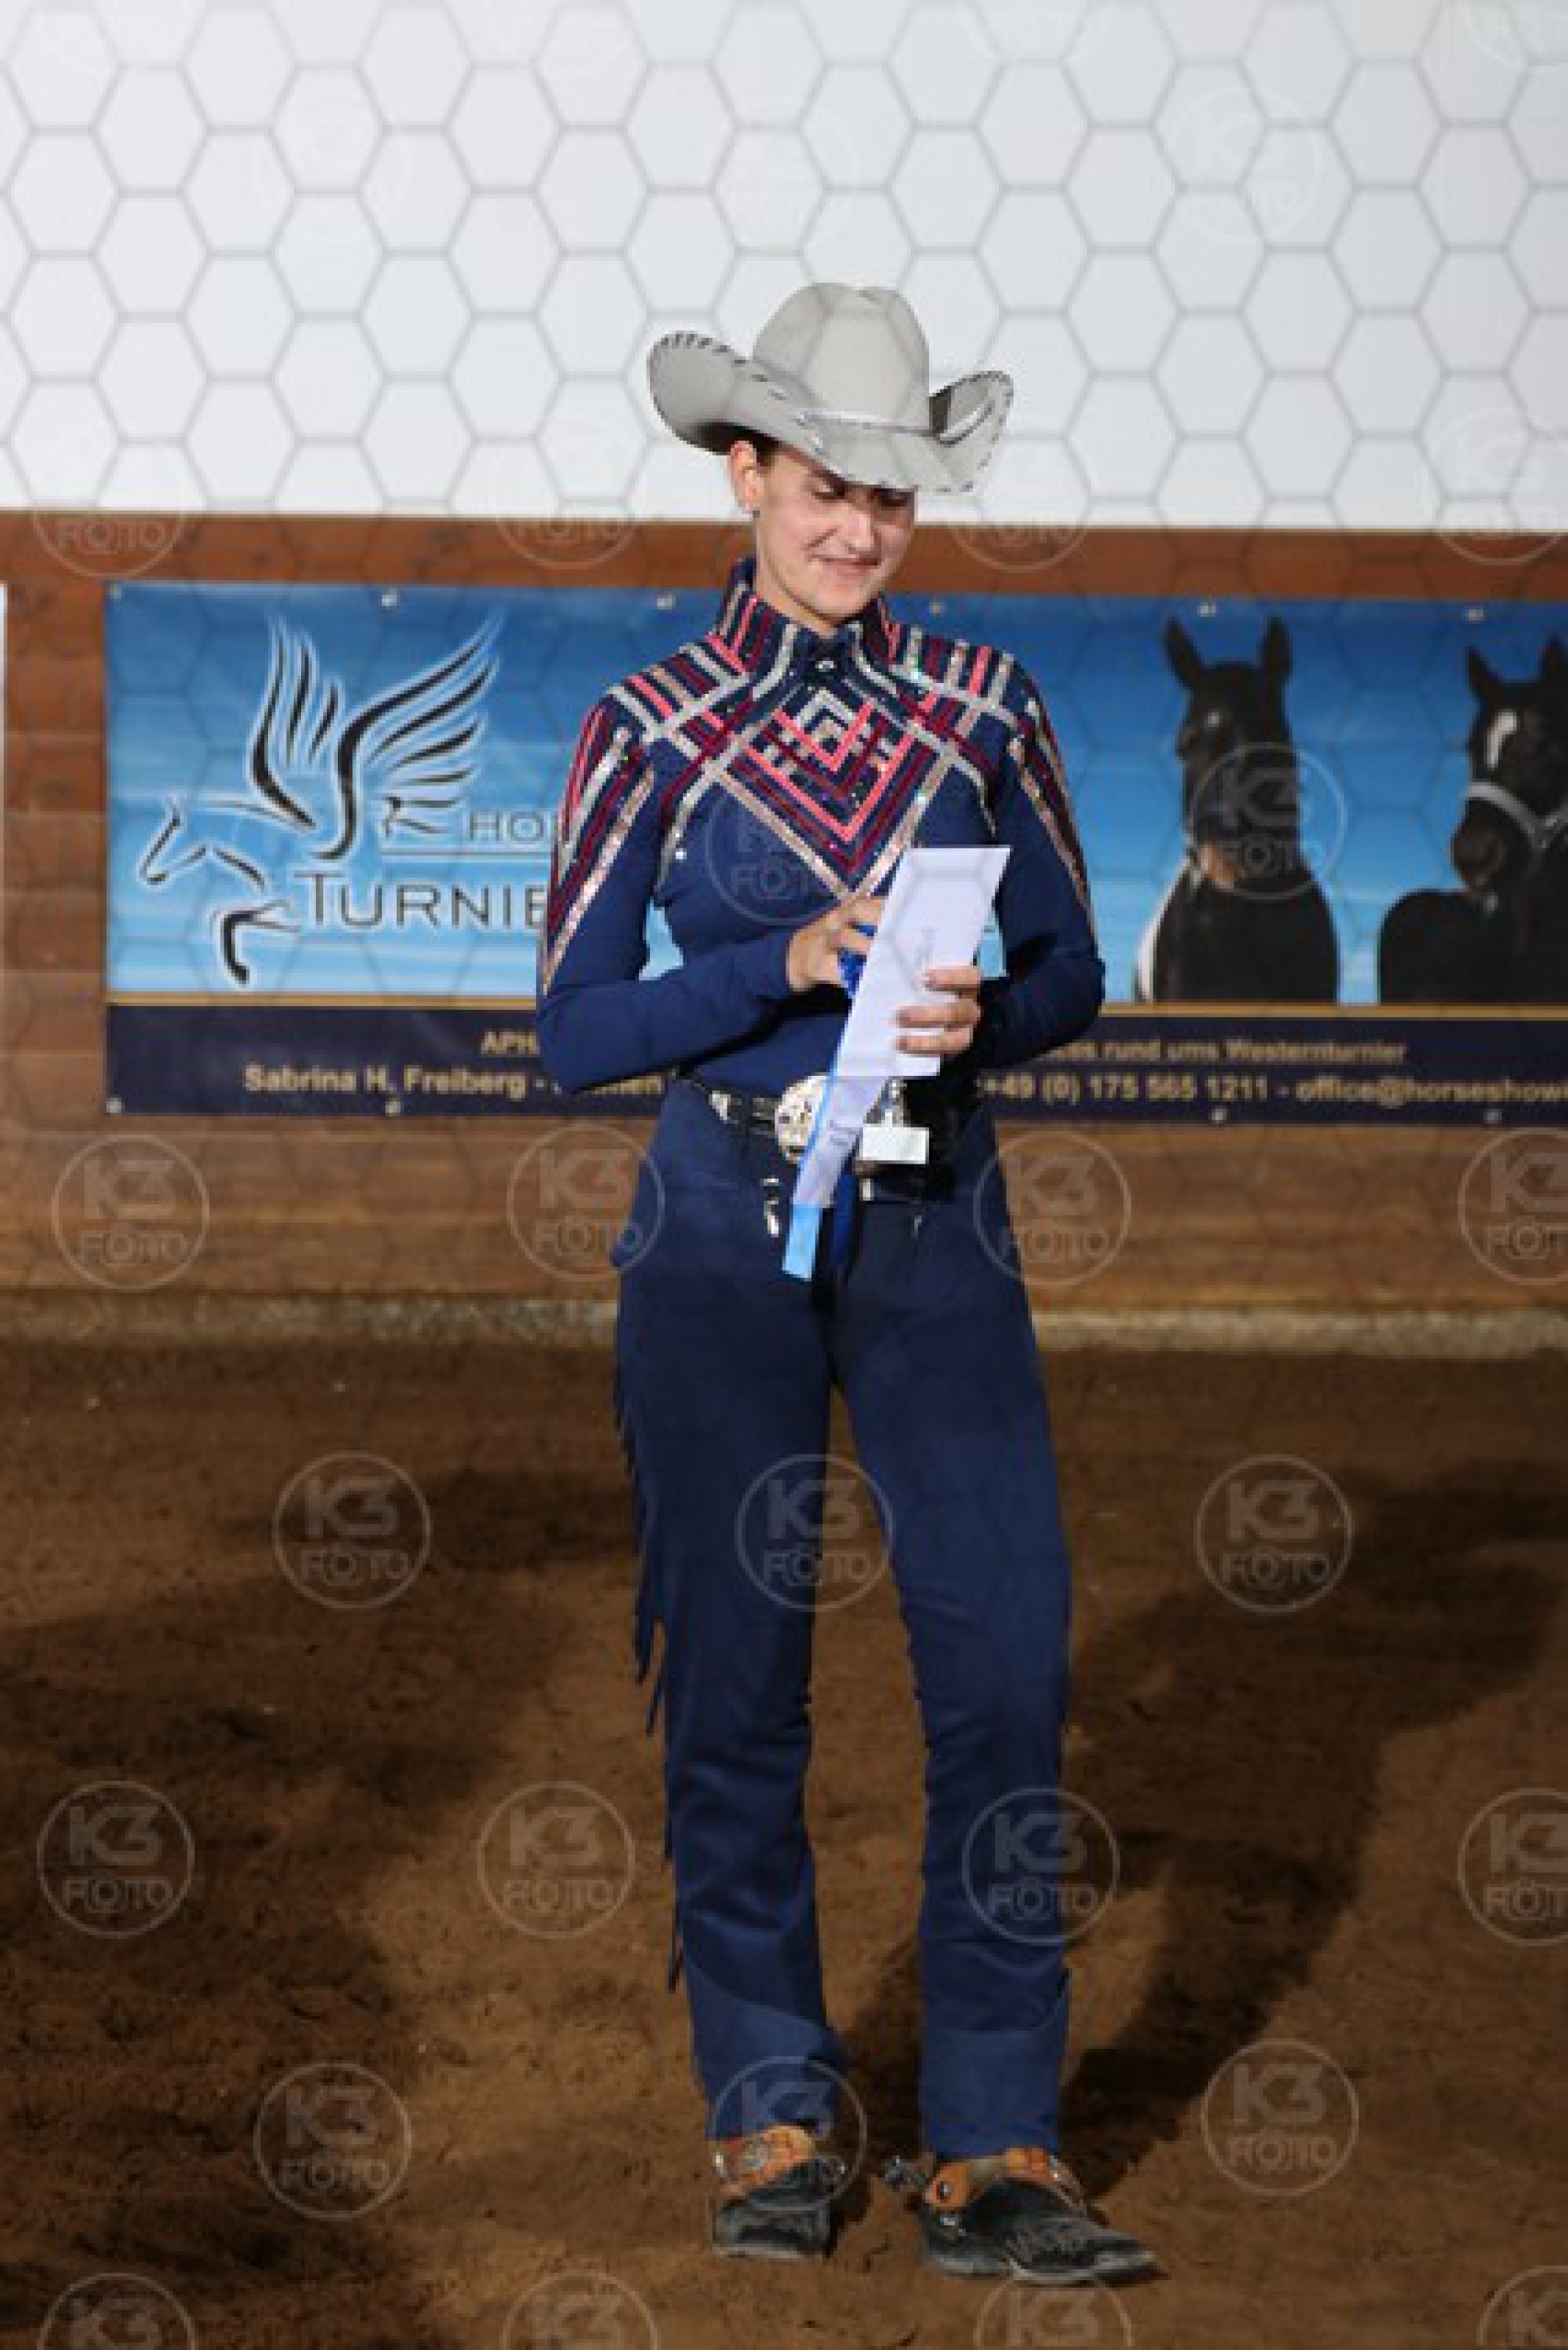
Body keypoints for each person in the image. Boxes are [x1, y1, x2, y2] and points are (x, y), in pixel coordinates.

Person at [535, 283, 1160, 2289]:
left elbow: (1076, 971)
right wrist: (788, 964)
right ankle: (773, 2105)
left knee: (1004, 1670)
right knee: (736, 1683)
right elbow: (572, 1028)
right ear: (745, 473)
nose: (859, 528)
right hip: (716, 1240)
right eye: (825, 485)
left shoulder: (983, 705)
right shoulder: (645, 724)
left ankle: (993, 2138)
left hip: (934, 1223)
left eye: (890, 495)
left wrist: (983, 1017)